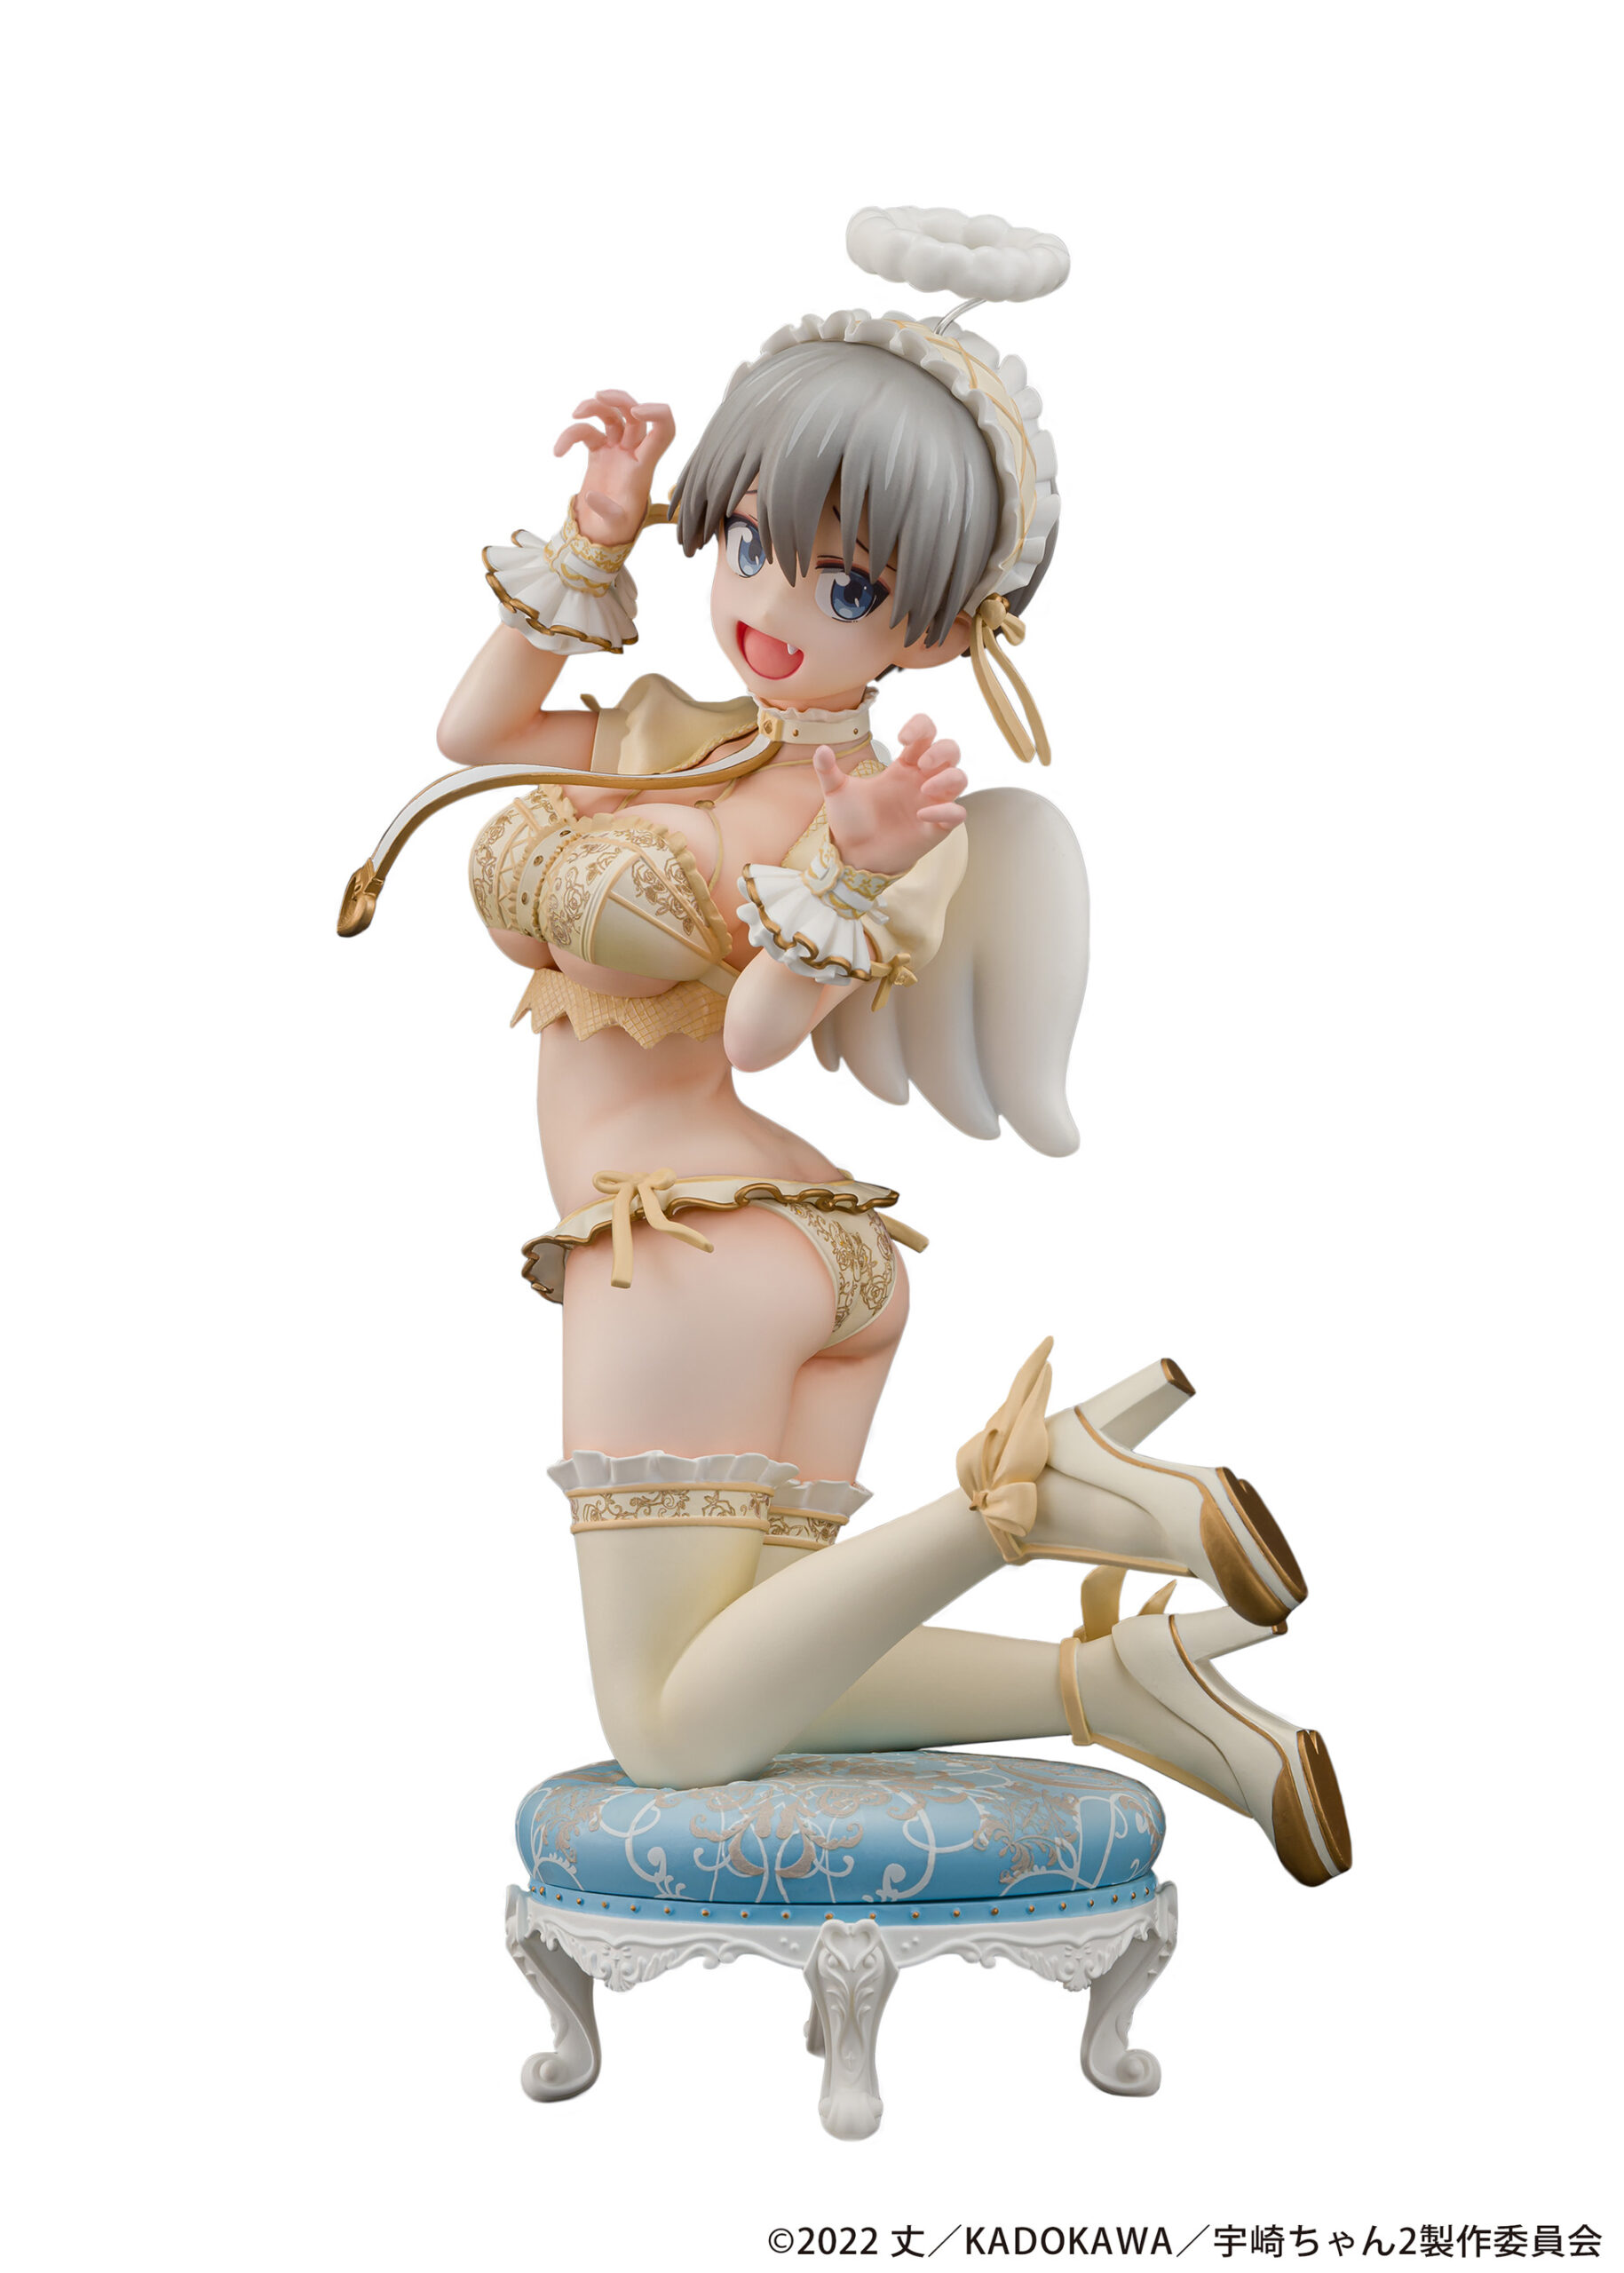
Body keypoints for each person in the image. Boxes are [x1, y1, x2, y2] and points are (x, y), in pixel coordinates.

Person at [343, 210, 1349, 1885]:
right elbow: (476, 733)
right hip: (799, 1256)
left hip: (680, 1244)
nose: (770, 604)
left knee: (666, 1730)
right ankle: (1114, 1685)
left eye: (850, 585)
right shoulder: (668, 727)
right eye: (748, 540)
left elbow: (753, 1030)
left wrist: (859, 865)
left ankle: (1034, 1493)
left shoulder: (885, 811)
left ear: (941, 632)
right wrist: (593, 535)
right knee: (761, 1662)